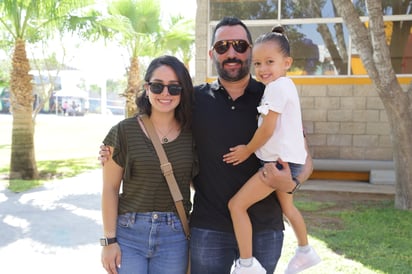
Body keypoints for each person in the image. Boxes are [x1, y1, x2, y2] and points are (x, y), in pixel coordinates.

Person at [99, 17, 313, 274]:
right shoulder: (195, 100)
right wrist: (114, 149)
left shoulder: (272, 94)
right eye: (222, 47)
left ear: (250, 49)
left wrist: (292, 183)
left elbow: (304, 155)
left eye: (239, 46)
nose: (231, 53)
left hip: (264, 230)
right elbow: (159, 123)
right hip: (208, 229)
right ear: (212, 53)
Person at [222, 26, 321, 274]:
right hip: (289, 162)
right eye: (257, 64)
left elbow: (267, 130)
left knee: (236, 205)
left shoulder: (276, 88)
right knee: (288, 208)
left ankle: (247, 265)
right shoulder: (285, 86)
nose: (262, 69)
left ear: (287, 62)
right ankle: (305, 250)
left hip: (278, 165)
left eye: (269, 62)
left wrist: (246, 150)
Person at [100, 55, 197, 274]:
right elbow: (110, 189)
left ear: (183, 91)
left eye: (174, 88)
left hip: (174, 236)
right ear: (147, 88)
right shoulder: (124, 131)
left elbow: (197, 183)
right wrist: (109, 241)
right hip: (128, 234)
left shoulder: (192, 135)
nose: (165, 93)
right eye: (157, 86)